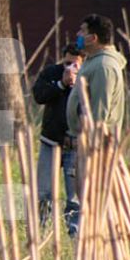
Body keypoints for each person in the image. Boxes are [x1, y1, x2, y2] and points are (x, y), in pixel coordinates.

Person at [63, 13, 128, 235]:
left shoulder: (104, 66)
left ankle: (102, 235)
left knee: (95, 193)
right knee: (84, 193)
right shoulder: (93, 61)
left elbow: (100, 110)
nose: (78, 35)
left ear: (94, 37)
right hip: (84, 140)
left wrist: (92, 142)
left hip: (97, 144)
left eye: (82, 31)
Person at [31, 43, 85, 226]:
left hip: (74, 143)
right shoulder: (51, 73)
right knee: (44, 191)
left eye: (75, 64)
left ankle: (74, 229)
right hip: (51, 141)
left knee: (74, 194)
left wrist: (78, 86)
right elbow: (39, 95)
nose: (70, 68)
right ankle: (42, 226)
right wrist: (61, 84)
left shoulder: (87, 77)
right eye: (67, 63)